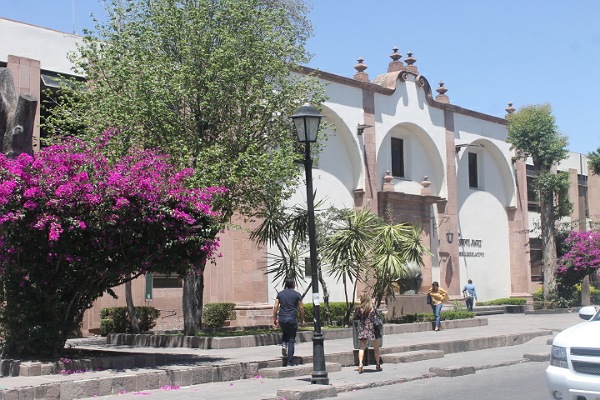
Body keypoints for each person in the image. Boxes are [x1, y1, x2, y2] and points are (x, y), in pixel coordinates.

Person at [272, 278, 305, 366]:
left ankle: (283, 343)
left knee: (285, 331)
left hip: (282, 318)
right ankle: (290, 361)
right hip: (291, 318)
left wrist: (275, 319)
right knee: (291, 339)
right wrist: (302, 320)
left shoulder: (280, 294)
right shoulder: (297, 294)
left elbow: (275, 307)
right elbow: (301, 308)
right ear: (293, 284)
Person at [353, 292, 382, 373]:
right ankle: (377, 364)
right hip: (372, 329)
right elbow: (377, 317)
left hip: (363, 328)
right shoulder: (373, 307)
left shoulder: (359, 308)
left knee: (362, 347)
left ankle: (360, 364)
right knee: (376, 348)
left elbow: (355, 317)